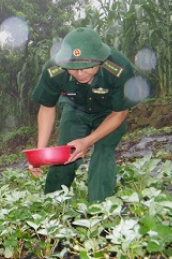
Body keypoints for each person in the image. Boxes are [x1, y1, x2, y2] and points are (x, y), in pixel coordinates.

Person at [29, 27, 138, 202]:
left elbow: (120, 113)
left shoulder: (119, 68)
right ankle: (52, 205)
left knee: (103, 152)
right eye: (73, 68)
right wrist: (39, 152)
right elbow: (47, 107)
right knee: (66, 153)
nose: (80, 74)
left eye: (87, 67)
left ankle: (100, 210)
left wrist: (87, 141)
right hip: (75, 109)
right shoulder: (54, 70)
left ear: (101, 61)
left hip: (109, 113)